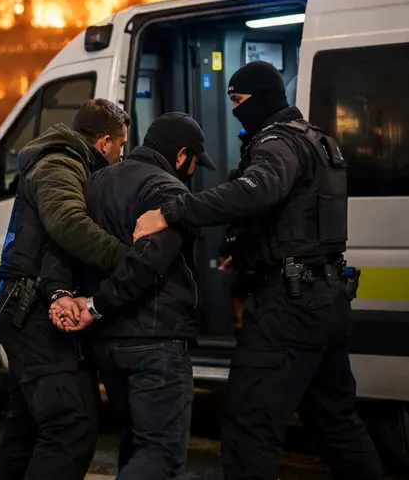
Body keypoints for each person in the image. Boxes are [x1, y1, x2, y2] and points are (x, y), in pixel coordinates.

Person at [133, 61, 382, 480]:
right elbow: (296, 217)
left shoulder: (277, 142)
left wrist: (171, 212)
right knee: (337, 424)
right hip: (326, 299)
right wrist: (247, 250)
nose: (233, 110)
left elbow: (257, 190)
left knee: (249, 428)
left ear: (261, 98)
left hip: (289, 309)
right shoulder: (319, 141)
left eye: (237, 100)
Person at [53, 112, 213, 478]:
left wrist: (79, 301)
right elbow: (147, 263)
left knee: (139, 442)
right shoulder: (167, 190)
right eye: (192, 163)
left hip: (108, 344)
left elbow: (66, 245)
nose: (191, 171)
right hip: (154, 341)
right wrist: (97, 305)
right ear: (180, 154)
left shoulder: (94, 183)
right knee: (161, 453)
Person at [0, 98, 130, 480]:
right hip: (31, 310)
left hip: (25, 305)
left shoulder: (68, 162)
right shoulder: (59, 163)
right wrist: (131, 258)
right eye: (121, 145)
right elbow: (68, 224)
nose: (122, 155)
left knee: (28, 428)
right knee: (71, 425)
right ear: (103, 143)